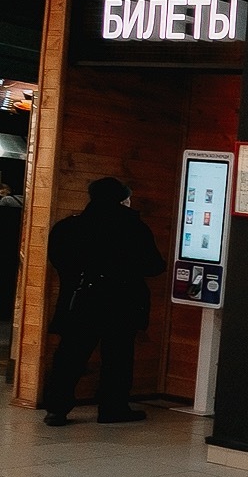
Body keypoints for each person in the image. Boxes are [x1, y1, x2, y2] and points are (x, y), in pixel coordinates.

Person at [43, 176, 165, 427]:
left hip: (81, 299)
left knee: (70, 356)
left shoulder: (70, 226)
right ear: (121, 199)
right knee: (117, 357)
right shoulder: (133, 227)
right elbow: (154, 266)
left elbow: (58, 259)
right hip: (121, 301)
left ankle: (56, 408)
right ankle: (113, 407)